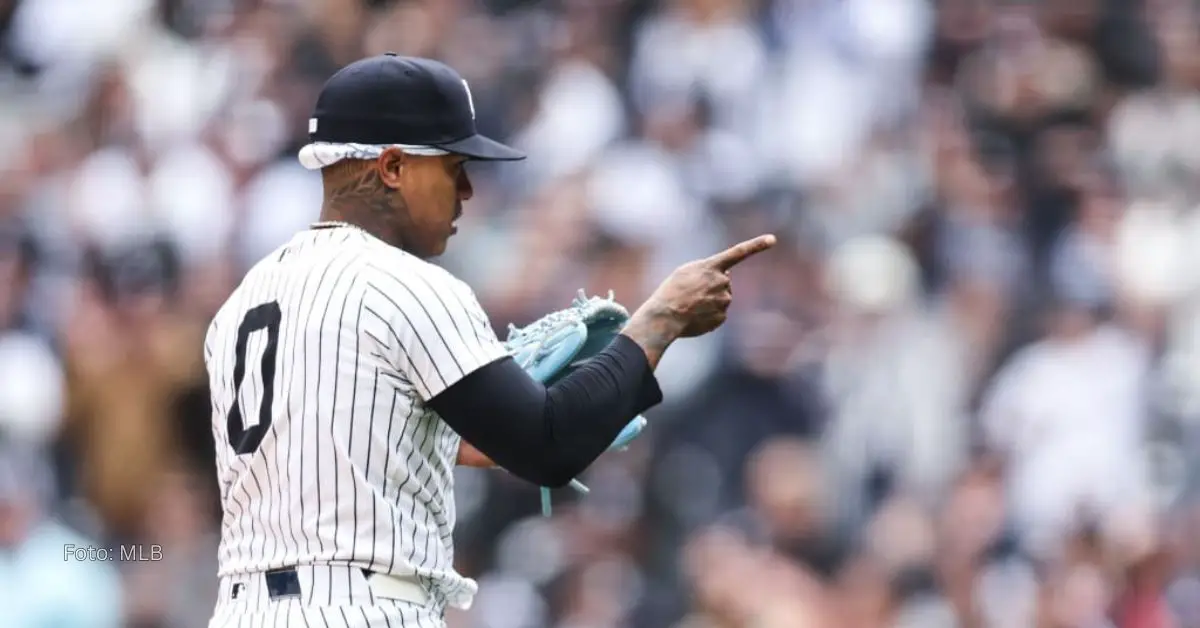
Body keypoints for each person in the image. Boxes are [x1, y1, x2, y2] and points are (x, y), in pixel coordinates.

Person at [203, 53, 775, 627]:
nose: (469, 190)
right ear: (394, 166)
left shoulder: (240, 304)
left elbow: (334, 442)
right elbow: (549, 446)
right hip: (361, 609)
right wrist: (661, 321)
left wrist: (457, 436)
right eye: (454, 167)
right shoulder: (406, 285)